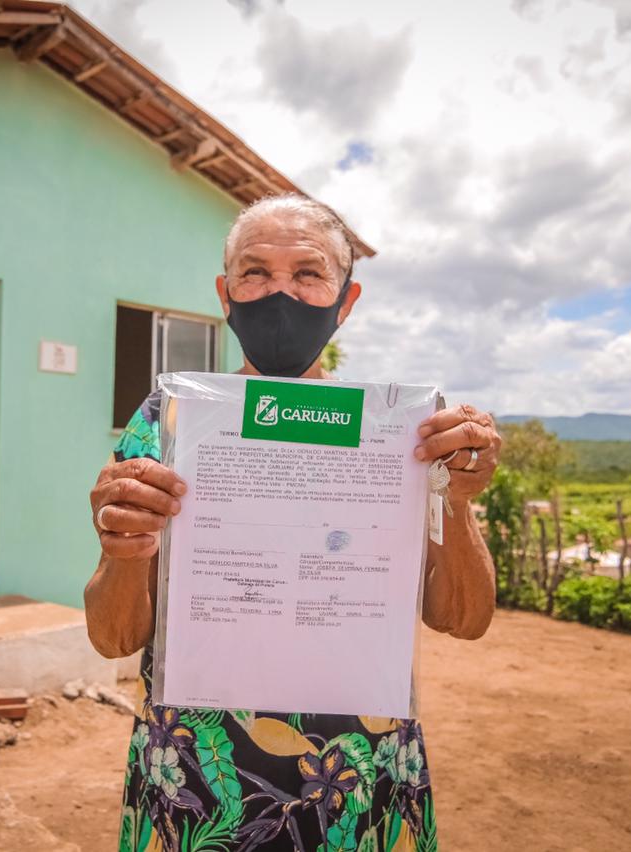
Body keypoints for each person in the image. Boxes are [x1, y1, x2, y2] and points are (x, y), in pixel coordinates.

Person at [86, 194, 499, 851]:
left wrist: (455, 497)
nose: (280, 294)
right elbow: (114, 638)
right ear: (226, 294)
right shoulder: (169, 424)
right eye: (255, 273)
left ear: (347, 299)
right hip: (198, 778)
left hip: (357, 778)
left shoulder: (402, 437)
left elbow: (464, 619)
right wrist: (125, 550)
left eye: (308, 274)